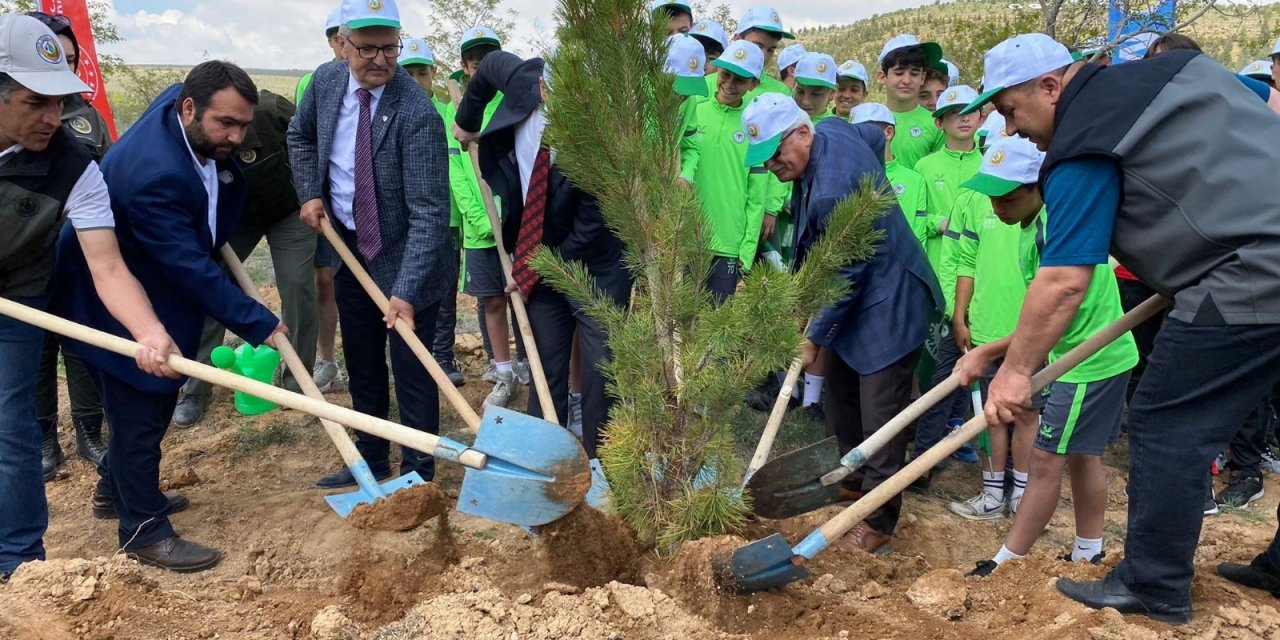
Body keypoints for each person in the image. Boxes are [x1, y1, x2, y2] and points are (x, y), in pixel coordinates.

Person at [960, 32, 1280, 624]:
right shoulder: (1181, 70)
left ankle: (1154, 586)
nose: (1009, 130)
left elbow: (1064, 282)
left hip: (1250, 274)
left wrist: (1016, 371)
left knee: (1165, 421)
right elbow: (1266, 106)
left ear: (1052, 87)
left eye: (1009, 111)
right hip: (1254, 256)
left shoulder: (1082, 143)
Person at [55, 60, 284, 572]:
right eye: (225, 124)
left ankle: (114, 492)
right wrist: (259, 321)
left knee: (145, 409)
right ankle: (143, 530)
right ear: (189, 109)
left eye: (243, 124)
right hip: (107, 298)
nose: (236, 135)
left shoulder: (180, 112)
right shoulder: (155, 175)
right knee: (142, 410)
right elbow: (187, 267)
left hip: (144, 276)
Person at [0, 13, 177, 582]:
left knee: (10, 427)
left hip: (17, 299)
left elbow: (108, 267)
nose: (55, 117)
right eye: (36, 102)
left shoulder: (74, 165)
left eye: (60, 100)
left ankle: (19, 567)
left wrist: (147, 332)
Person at [742, 94, 941, 553]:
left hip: (890, 300)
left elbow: (843, 274)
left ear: (803, 133)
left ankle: (878, 522)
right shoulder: (834, 127)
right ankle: (854, 479)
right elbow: (871, 136)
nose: (771, 164)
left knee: (879, 417)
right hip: (857, 294)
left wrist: (811, 338)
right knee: (840, 399)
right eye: (764, 158)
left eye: (775, 153)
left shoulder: (833, 189)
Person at [288, 0, 452, 489]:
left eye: (390, 47)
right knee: (361, 358)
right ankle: (373, 458)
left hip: (410, 257)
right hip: (349, 247)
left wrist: (406, 291)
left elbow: (430, 215)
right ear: (342, 44)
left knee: (412, 369)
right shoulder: (325, 83)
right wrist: (311, 193)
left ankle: (419, 472)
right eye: (367, 48)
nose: (380, 59)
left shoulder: (417, 113)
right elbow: (299, 137)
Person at [959, 135, 1137, 576]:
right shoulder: (1030, 226)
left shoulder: (1052, 227)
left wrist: (993, 352)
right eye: (992, 197)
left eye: (1009, 197)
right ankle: (1087, 550)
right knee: (1082, 455)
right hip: (1079, 356)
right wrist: (989, 350)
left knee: (1044, 458)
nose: (999, 207)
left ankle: (1008, 559)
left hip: (1088, 360)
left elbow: (1059, 303)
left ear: (1039, 187)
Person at [453, 50, 632, 459]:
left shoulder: (603, 139)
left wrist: (531, 269)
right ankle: (545, 459)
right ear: (543, 87)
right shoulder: (519, 77)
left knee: (600, 371)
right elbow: (488, 68)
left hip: (598, 265)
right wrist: (467, 120)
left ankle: (600, 465)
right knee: (542, 358)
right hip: (539, 245)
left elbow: (588, 229)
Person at [178, 89, 321, 425]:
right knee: (210, 285)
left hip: (290, 209)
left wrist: (313, 196)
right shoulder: (194, 132)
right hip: (235, 216)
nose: (233, 134)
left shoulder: (274, 112)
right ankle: (196, 389)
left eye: (240, 123)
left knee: (298, 285)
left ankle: (298, 383)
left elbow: (310, 147)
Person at [26, 10, 114, 475]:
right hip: (26, 268)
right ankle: (43, 438)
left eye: (71, 58)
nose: (65, 65)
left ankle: (89, 434)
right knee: (38, 351)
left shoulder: (85, 117)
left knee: (81, 346)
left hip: (81, 256)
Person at [944, 127, 1039, 518]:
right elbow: (966, 260)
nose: (999, 204)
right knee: (988, 413)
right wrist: (959, 313)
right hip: (984, 325)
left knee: (1028, 412)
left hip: (1030, 331)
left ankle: (1021, 493)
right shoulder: (974, 200)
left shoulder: (1044, 215)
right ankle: (991, 491)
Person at [456, 24, 532, 400]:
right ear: (466, 67)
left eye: (489, 58)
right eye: (475, 61)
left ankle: (531, 361)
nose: (482, 65)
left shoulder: (516, 106)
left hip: (520, 225)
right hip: (483, 229)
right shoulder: (459, 113)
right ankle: (503, 371)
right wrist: (487, 222)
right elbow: (458, 176)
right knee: (493, 299)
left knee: (528, 295)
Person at [400, 38, 470, 390]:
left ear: (434, 73)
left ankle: (442, 355)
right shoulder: (391, 114)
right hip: (403, 222)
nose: (415, 80)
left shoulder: (450, 114)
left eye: (421, 72)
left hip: (448, 220)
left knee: (444, 291)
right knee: (405, 287)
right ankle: (410, 354)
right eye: (407, 72)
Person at [293, 5, 346, 399]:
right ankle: (319, 359)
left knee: (341, 282)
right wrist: (311, 192)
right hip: (321, 206)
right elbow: (301, 141)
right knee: (318, 279)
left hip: (357, 207)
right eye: (339, 37)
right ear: (334, 41)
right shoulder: (316, 83)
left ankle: (339, 358)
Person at [689, 40, 767, 303]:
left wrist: (745, 251)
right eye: (726, 74)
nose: (730, 84)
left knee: (714, 329)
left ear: (753, 84)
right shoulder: (694, 112)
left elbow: (757, 197)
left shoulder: (757, 129)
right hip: (686, 238)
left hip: (727, 246)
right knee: (680, 326)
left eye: (740, 79)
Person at [850, 103, 928, 245]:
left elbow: (919, 234)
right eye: (855, 133)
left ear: (888, 132)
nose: (860, 138)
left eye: (865, 131)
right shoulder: (847, 177)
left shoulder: (914, 180)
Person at [876, 34, 945, 170]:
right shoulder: (869, 120)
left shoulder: (936, 124)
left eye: (914, 73)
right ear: (883, 77)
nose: (907, 80)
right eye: (899, 72)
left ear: (923, 77)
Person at [792, 52, 837, 123]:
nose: (805, 102)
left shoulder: (837, 129)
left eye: (816, 94)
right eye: (800, 91)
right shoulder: (780, 121)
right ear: (793, 85)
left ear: (832, 93)